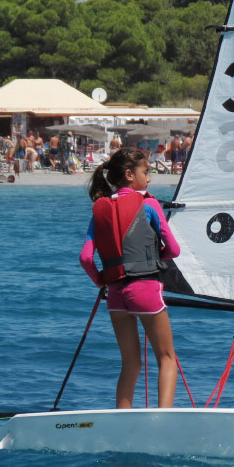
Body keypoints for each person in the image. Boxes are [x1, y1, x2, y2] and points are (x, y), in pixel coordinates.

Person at [79, 148, 182, 409]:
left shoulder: (99, 209)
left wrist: (101, 280)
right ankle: (162, 420)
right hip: (145, 290)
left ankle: (121, 420)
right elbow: (174, 250)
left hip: (116, 294)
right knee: (167, 358)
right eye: (146, 172)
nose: (149, 178)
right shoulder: (149, 204)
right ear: (128, 175)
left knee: (131, 363)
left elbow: (86, 258)